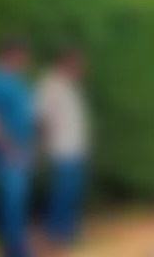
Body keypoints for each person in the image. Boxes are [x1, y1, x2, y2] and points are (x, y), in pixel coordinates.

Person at [0, 39, 34, 257]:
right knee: (12, 196)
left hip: (20, 149)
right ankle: (13, 249)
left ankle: (16, 244)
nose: (25, 62)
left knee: (17, 198)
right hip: (5, 150)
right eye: (23, 57)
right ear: (11, 55)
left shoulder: (15, 80)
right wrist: (7, 147)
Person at [36, 47, 89, 250]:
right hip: (60, 148)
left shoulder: (69, 85)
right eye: (77, 64)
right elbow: (41, 118)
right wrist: (45, 145)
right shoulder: (50, 85)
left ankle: (68, 230)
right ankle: (56, 233)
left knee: (71, 191)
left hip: (75, 147)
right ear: (66, 63)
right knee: (61, 191)